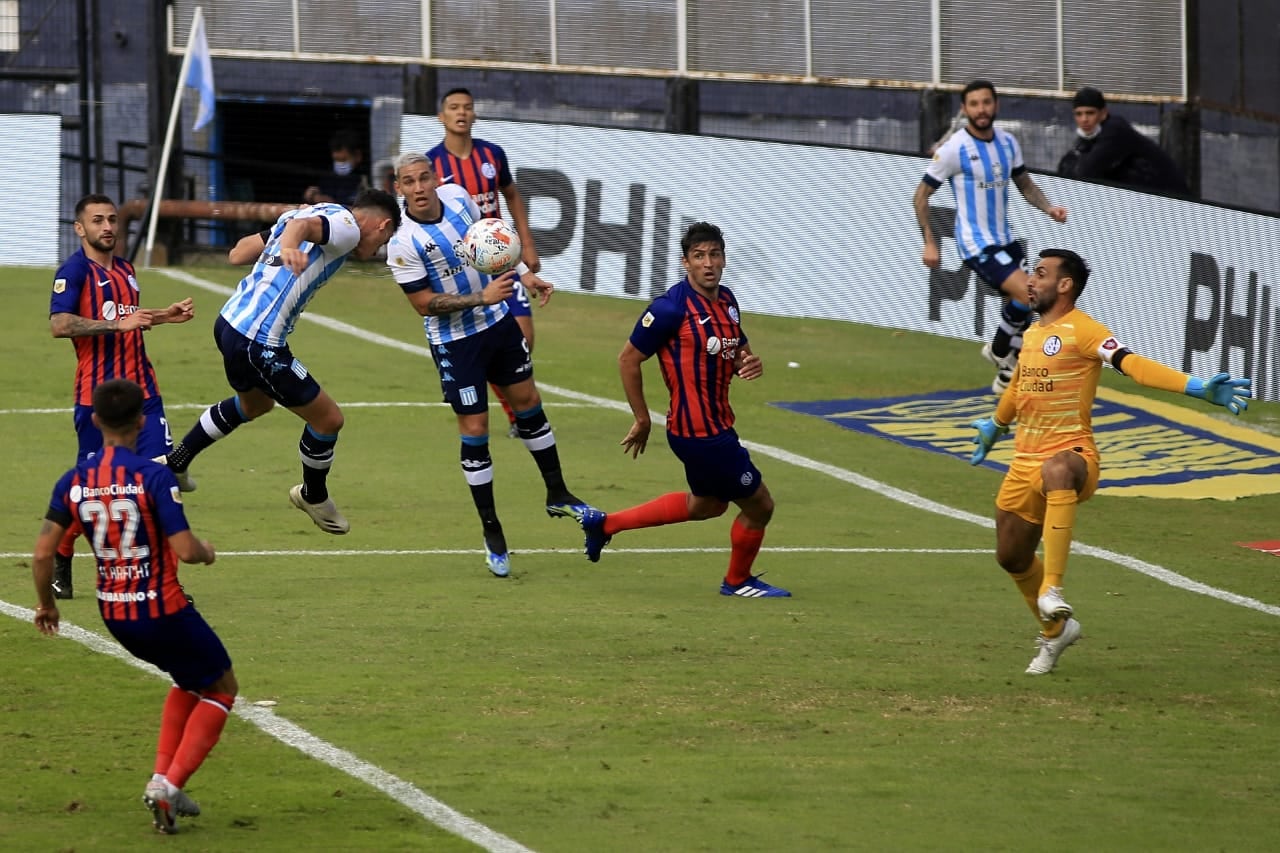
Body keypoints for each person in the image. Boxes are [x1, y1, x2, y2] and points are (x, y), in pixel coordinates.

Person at [968, 248, 1251, 675]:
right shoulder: (1030, 334)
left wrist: (1197, 388)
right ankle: (1056, 630)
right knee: (1010, 557)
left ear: (1065, 285)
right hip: (1023, 460)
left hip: (1074, 455)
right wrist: (996, 425)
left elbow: (1132, 365)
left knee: (1058, 469)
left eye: (1041, 274)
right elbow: (1022, 385)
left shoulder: (1085, 331)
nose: (1030, 280)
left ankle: (1053, 589)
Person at [31, 378, 234, 835]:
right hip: (162, 607)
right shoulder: (153, 476)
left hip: (116, 614)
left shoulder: (74, 481)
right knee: (221, 687)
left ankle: (163, 780)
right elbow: (183, 549)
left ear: (96, 420)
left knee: (188, 677)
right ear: (142, 422)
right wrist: (206, 550)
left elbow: (44, 554)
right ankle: (168, 785)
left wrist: (47, 606)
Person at [387, 152, 591, 578]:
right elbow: (425, 305)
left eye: (424, 177)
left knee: (527, 401)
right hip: (455, 342)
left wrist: (524, 274)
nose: (420, 187)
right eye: (410, 181)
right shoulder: (402, 243)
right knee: (476, 428)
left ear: (434, 179)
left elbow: (493, 246)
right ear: (399, 188)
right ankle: (492, 530)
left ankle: (557, 492)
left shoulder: (460, 197)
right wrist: (481, 297)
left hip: (498, 325)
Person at [164, 188, 401, 534]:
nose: (379, 249)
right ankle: (313, 495)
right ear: (382, 225)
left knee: (255, 404)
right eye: (385, 240)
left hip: (229, 323)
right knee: (329, 420)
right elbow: (302, 228)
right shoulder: (348, 227)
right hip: (258, 341)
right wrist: (291, 245)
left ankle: (177, 461)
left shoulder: (310, 213)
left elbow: (238, 252)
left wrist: (286, 239)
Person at [576, 222, 789, 599]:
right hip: (701, 434)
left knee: (706, 506)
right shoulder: (670, 309)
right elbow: (627, 359)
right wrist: (642, 418)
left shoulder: (727, 301)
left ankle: (606, 525)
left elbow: (738, 348)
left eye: (715, 254)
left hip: (714, 426)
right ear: (684, 263)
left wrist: (747, 363)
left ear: (723, 259)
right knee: (760, 506)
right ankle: (737, 582)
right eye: (699, 256)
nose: (708, 263)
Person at [48, 193, 197, 600]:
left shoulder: (127, 270)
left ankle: (166, 583)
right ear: (80, 228)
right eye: (97, 220)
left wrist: (163, 316)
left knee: (159, 481)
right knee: (91, 489)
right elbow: (60, 325)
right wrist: (117, 326)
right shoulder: (73, 271)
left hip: (144, 394)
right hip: (98, 401)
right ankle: (62, 555)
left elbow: (127, 317)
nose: (108, 227)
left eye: (112, 219)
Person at [913, 79, 1068, 396]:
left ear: (995, 105)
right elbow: (920, 196)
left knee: (1020, 304)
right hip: (976, 243)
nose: (981, 110)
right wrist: (930, 241)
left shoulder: (1008, 143)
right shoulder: (954, 149)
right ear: (964, 109)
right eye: (974, 104)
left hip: (1006, 238)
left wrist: (1049, 207)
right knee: (1031, 293)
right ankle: (1001, 351)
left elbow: (1025, 185)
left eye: (986, 103)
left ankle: (1005, 369)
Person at [427, 87, 542, 437]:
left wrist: (527, 244)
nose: (462, 112)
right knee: (485, 340)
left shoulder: (493, 154)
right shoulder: (432, 164)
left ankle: (516, 410)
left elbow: (512, 196)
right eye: (454, 107)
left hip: (502, 258)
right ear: (441, 117)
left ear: (475, 114)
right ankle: (517, 418)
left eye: (468, 107)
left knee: (524, 338)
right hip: (462, 267)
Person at [1057, 87, 1190, 197]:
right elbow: (1065, 169)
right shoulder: (1090, 138)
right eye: (1079, 114)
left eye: (1090, 113)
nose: (1084, 119)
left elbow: (1086, 171)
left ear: (1103, 113)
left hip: (1168, 198)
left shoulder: (1115, 130)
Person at [302, 128, 369, 206]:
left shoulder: (366, 178)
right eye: (336, 160)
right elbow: (314, 193)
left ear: (358, 156)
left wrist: (334, 203)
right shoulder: (328, 176)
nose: (340, 164)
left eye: (344, 159)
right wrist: (314, 196)